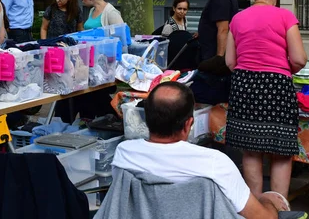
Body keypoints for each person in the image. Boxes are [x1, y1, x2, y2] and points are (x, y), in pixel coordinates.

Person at [111, 81, 289, 219]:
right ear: (189, 123)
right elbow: (260, 217)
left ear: (146, 119)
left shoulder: (124, 153)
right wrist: (268, 201)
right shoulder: (214, 163)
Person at [225, 0, 308, 199]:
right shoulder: (285, 16)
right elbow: (300, 58)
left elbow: (230, 61)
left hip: (244, 85)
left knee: (251, 149)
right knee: (280, 150)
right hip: (277, 85)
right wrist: (283, 70)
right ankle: (278, 208)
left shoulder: (238, 19)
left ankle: (255, 208)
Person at [191, 0, 239, 104]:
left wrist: (219, 59)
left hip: (213, 62)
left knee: (205, 99)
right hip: (217, 59)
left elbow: (223, 29)